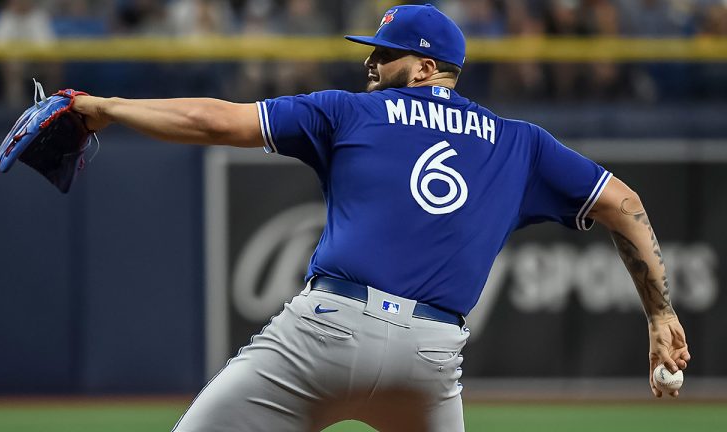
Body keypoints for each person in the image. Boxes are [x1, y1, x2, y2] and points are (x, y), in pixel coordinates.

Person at [72, 4, 691, 431]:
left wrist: (108, 107)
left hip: (326, 333)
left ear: (426, 68)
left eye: (386, 54)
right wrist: (660, 312)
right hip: (428, 357)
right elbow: (625, 204)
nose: (371, 64)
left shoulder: (349, 112)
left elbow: (213, 119)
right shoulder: (519, 143)